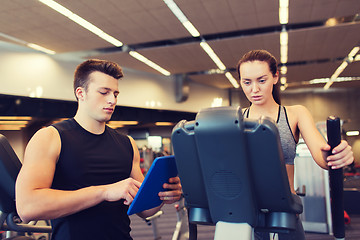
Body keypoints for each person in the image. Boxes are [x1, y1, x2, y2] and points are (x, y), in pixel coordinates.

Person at [15, 59, 182, 240]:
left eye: (115, 94)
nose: (112, 100)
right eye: (104, 92)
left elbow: (144, 210)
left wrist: (163, 194)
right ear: (81, 93)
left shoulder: (127, 143)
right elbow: (27, 207)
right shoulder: (50, 137)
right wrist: (104, 192)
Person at [237, 50, 354, 239]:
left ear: (275, 77)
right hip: (246, 214)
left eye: (261, 80)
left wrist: (337, 154)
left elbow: (321, 154)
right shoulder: (235, 119)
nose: (254, 89)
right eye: (247, 82)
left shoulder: (295, 114)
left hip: (284, 212)